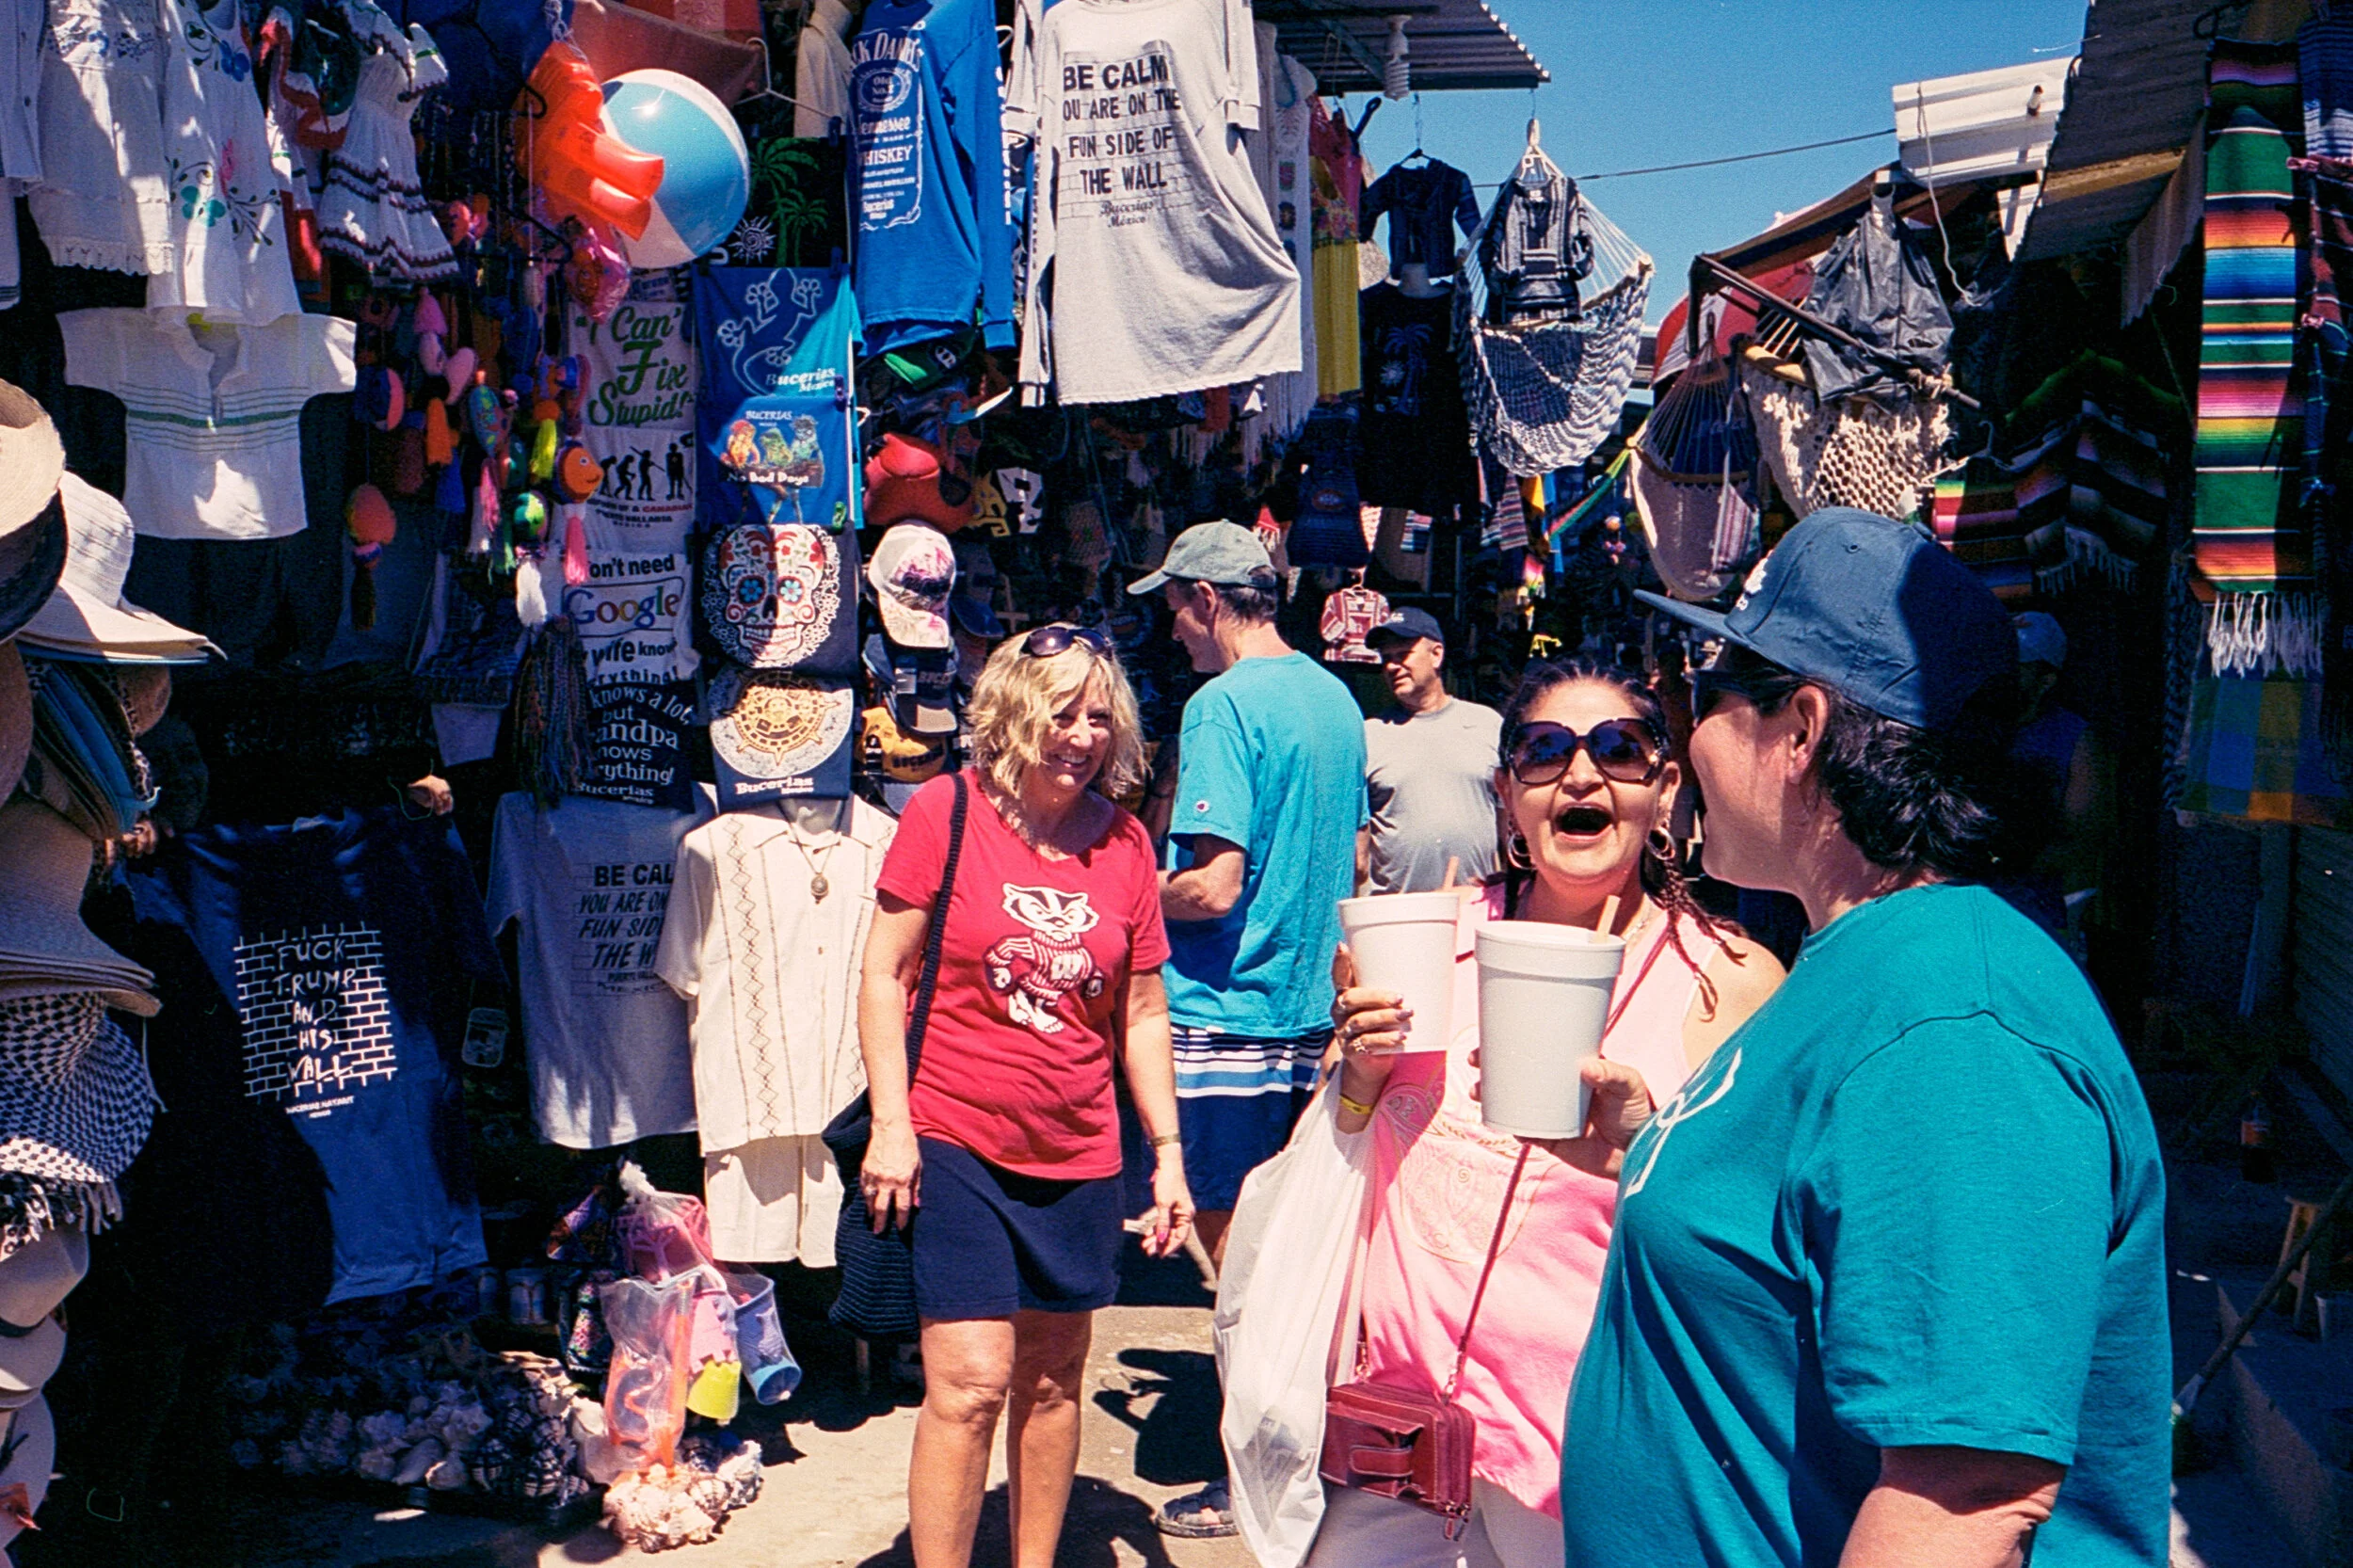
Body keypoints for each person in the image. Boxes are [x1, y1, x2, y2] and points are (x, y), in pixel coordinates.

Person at [1561, 508, 2169, 1567]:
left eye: (1704, 694)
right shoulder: (1866, 964)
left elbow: (1967, 1493)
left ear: (1799, 729)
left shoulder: (1954, 1026)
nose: (1682, 733)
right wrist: (1663, 1150)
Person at [1319, 658, 1781, 1566]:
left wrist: (1643, 1150)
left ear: (1663, 786)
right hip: (1404, 1432)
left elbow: (1758, 1230)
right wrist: (1358, 1071)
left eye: (1618, 749)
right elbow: (1337, 1148)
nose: (1580, 775)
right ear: (1506, 792)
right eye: (1543, 752)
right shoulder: (1426, 936)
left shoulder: (1730, 983)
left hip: (1588, 1454)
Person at [856, 625, 1196, 1568]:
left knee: (1052, 1382)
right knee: (970, 1382)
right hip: (955, 1134)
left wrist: (1166, 1151)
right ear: (1009, 712)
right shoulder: (944, 813)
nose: (1082, 734)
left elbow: (1138, 1006)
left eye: (1100, 715)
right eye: (1062, 711)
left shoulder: (1125, 844)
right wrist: (893, 1123)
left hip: (1081, 1149)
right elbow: (885, 972)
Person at [1126, 520, 1365, 1539]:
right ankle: (1311, 1460)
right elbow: (1350, 861)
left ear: (1209, 601)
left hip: (1226, 1018)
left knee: (1242, 1278)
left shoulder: (1222, 705)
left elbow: (1213, 884)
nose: (1173, 630)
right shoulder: (1334, 699)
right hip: (1311, 1017)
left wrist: (1127, 884)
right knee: (1299, 1255)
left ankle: (1258, 1483)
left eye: (1175, 607)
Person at [1357, 607, 1504, 893]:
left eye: (1402, 655)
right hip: (1395, 912)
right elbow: (1357, 846)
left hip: (1475, 906)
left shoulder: (1486, 724)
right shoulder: (1371, 735)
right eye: (1386, 659)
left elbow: (1508, 822)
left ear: (1436, 655)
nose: (1391, 667)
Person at [1999, 611, 2113, 952]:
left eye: (2018, 667)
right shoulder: (1975, 730)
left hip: (2039, 916)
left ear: (2046, 679)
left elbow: (2083, 841)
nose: (2004, 674)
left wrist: (2007, 857)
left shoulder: (2076, 740)